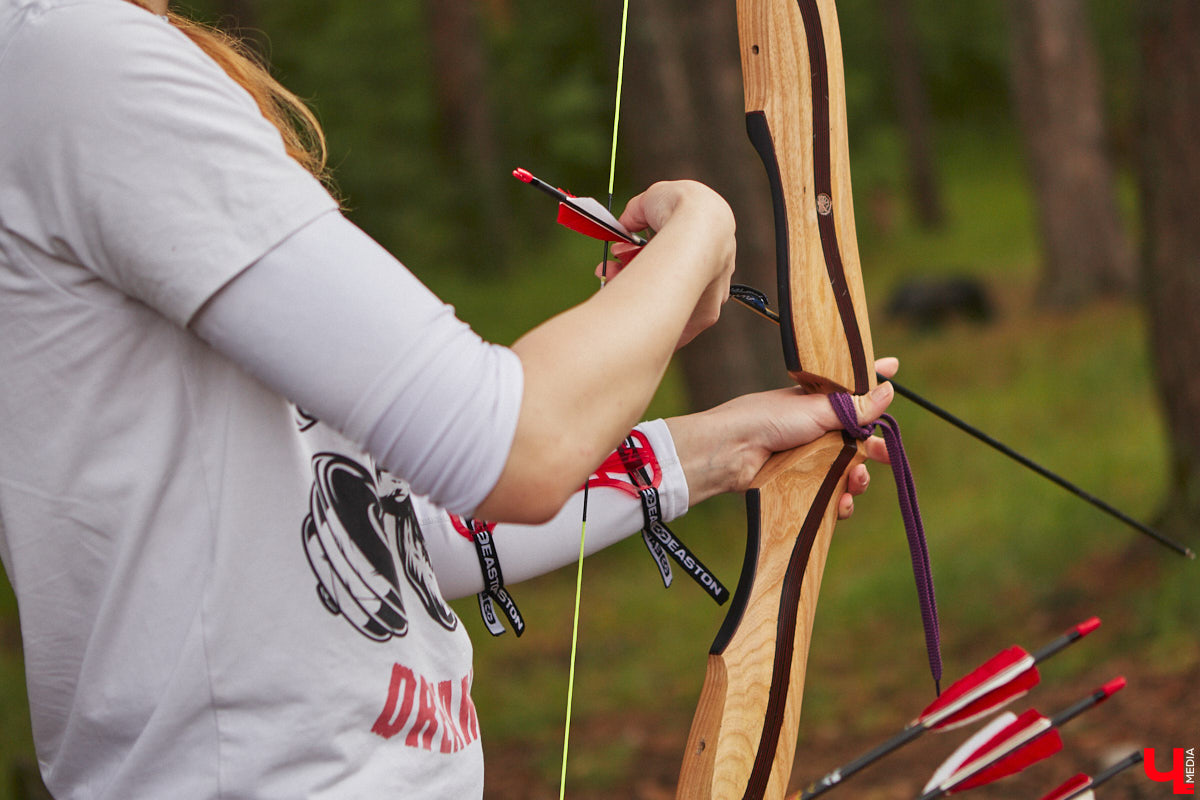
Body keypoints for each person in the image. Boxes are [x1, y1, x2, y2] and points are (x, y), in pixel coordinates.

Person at [0, 0, 896, 796]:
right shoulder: (74, 61)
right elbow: (514, 446)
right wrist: (700, 232)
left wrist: (713, 451)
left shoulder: (80, 66)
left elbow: (386, 527)